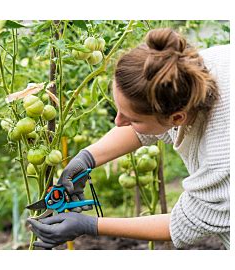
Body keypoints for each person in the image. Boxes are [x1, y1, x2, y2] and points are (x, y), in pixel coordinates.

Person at [27, 28, 230, 250]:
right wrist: (86, 158)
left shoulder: (222, 157)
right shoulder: (184, 70)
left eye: (131, 118)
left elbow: (186, 222)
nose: (117, 121)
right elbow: (145, 126)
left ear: (177, 117)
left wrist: (89, 225)